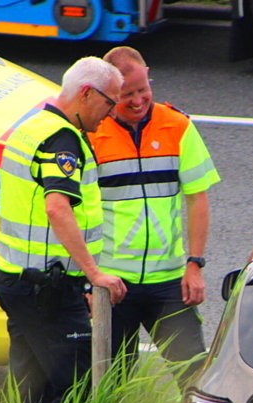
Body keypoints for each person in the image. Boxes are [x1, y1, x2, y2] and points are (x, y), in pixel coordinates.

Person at [0, 56, 127, 403]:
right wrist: (94, 275)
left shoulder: (33, 125)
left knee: (31, 386)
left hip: (17, 278)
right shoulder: (62, 140)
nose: (111, 114)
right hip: (43, 288)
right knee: (74, 382)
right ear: (86, 94)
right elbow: (57, 209)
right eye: (109, 103)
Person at [87, 46, 220, 383]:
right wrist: (86, 281)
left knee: (194, 379)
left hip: (169, 283)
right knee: (109, 385)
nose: (136, 101)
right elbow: (77, 216)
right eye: (126, 94)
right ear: (108, 94)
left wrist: (195, 264)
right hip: (113, 285)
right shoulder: (91, 136)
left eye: (143, 90)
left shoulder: (177, 126)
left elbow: (197, 198)